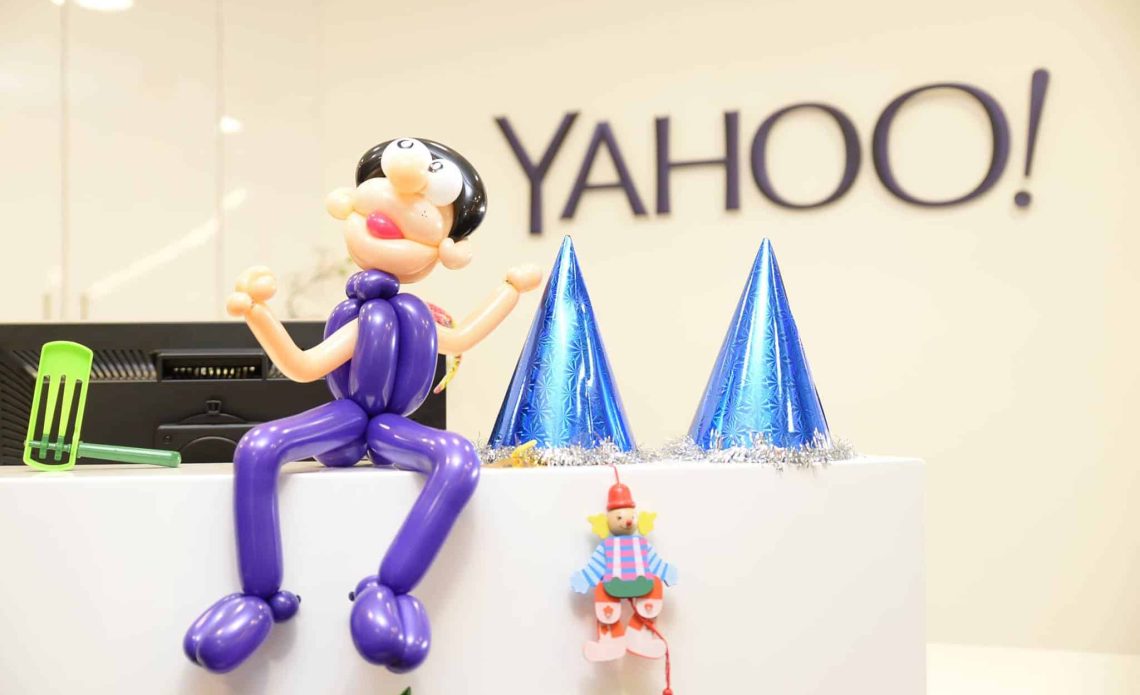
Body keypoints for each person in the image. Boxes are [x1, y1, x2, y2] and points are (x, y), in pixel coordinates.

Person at [184, 138, 541, 674]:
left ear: (446, 249)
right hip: (347, 417)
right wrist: (258, 314)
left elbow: (461, 338)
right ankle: (258, 598)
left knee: (458, 459)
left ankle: (390, 589)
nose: (394, 209)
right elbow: (304, 366)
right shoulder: (364, 314)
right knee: (258, 447)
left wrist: (510, 291)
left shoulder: (414, 316)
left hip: (391, 427)